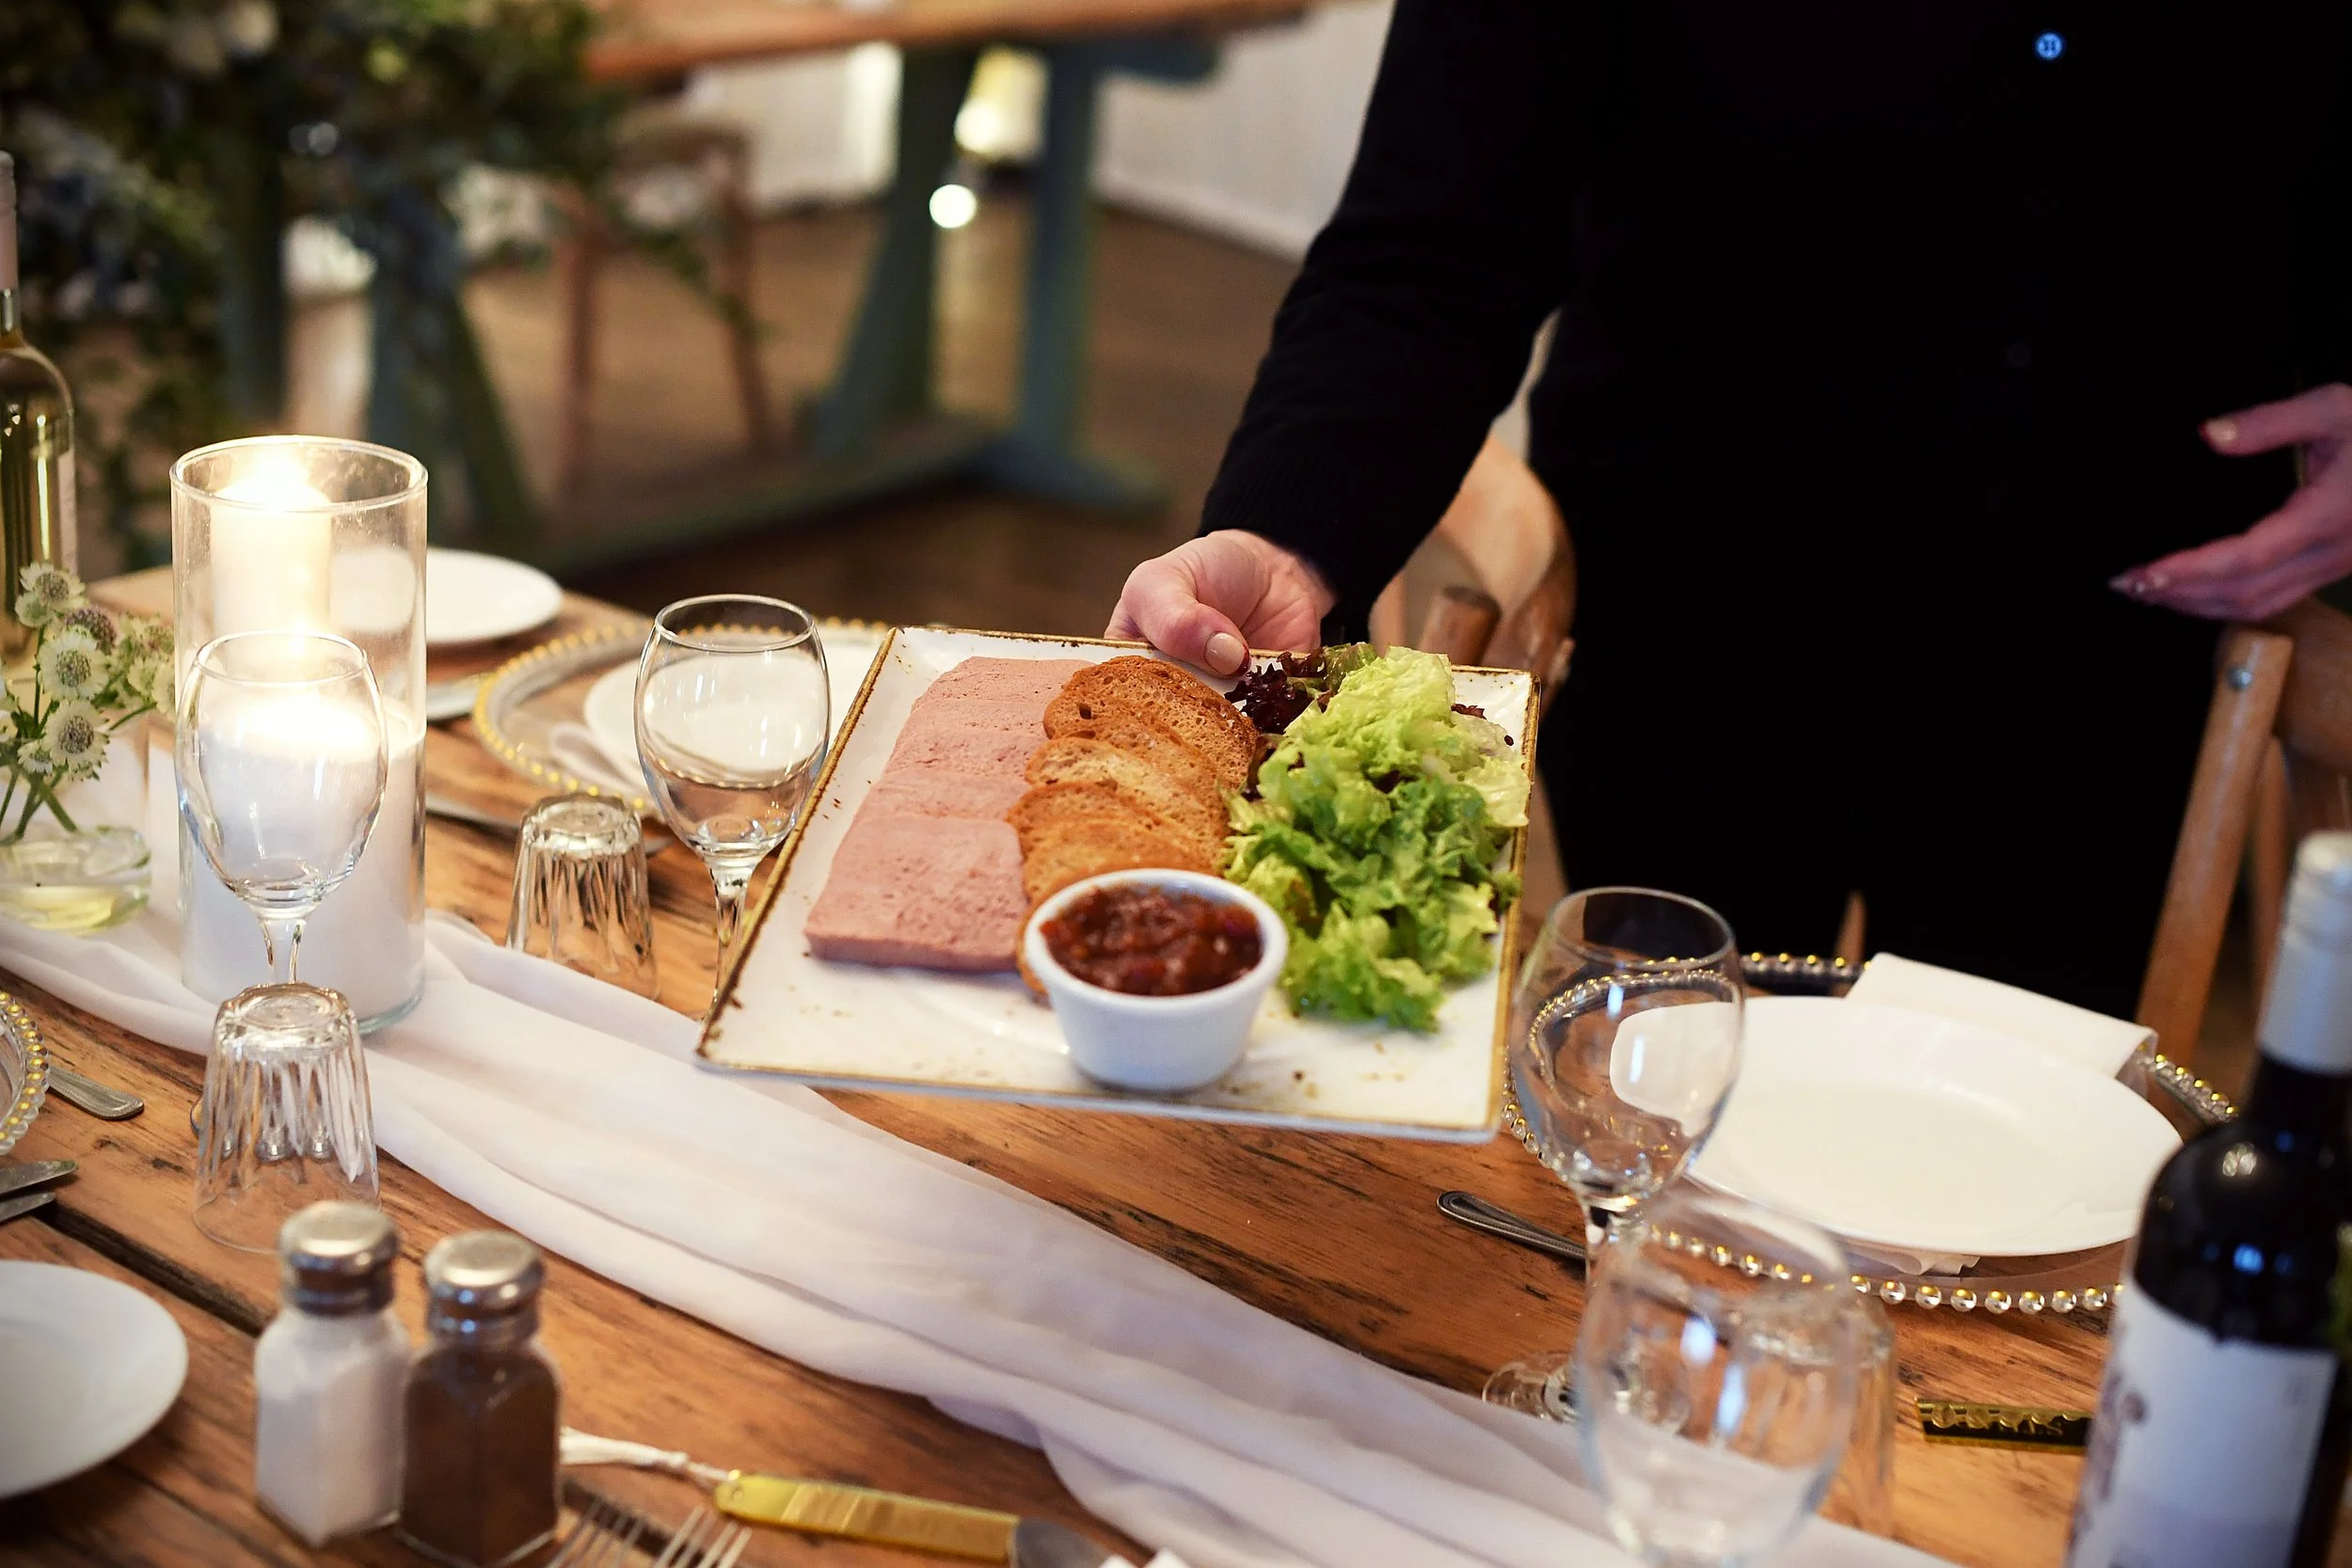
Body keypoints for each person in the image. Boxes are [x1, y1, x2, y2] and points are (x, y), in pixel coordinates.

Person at [1105, 1, 2352, 1019]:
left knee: (1999, 1206)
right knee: (1672, 1138)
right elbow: (1427, 251)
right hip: (1697, 609)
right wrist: (1286, 527)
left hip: (2110, 635)